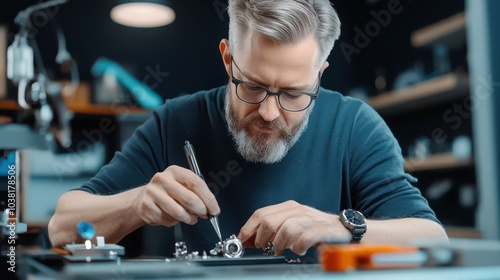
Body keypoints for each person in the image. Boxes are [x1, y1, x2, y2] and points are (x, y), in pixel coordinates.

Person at [48, 0, 447, 258]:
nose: (270, 113)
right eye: (253, 86)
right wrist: (135, 204)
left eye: (294, 93)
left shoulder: (355, 127)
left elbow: (434, 239)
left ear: (319, 75)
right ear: (228, 58)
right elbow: (62, 227)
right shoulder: (174, 122)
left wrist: (340, 225)